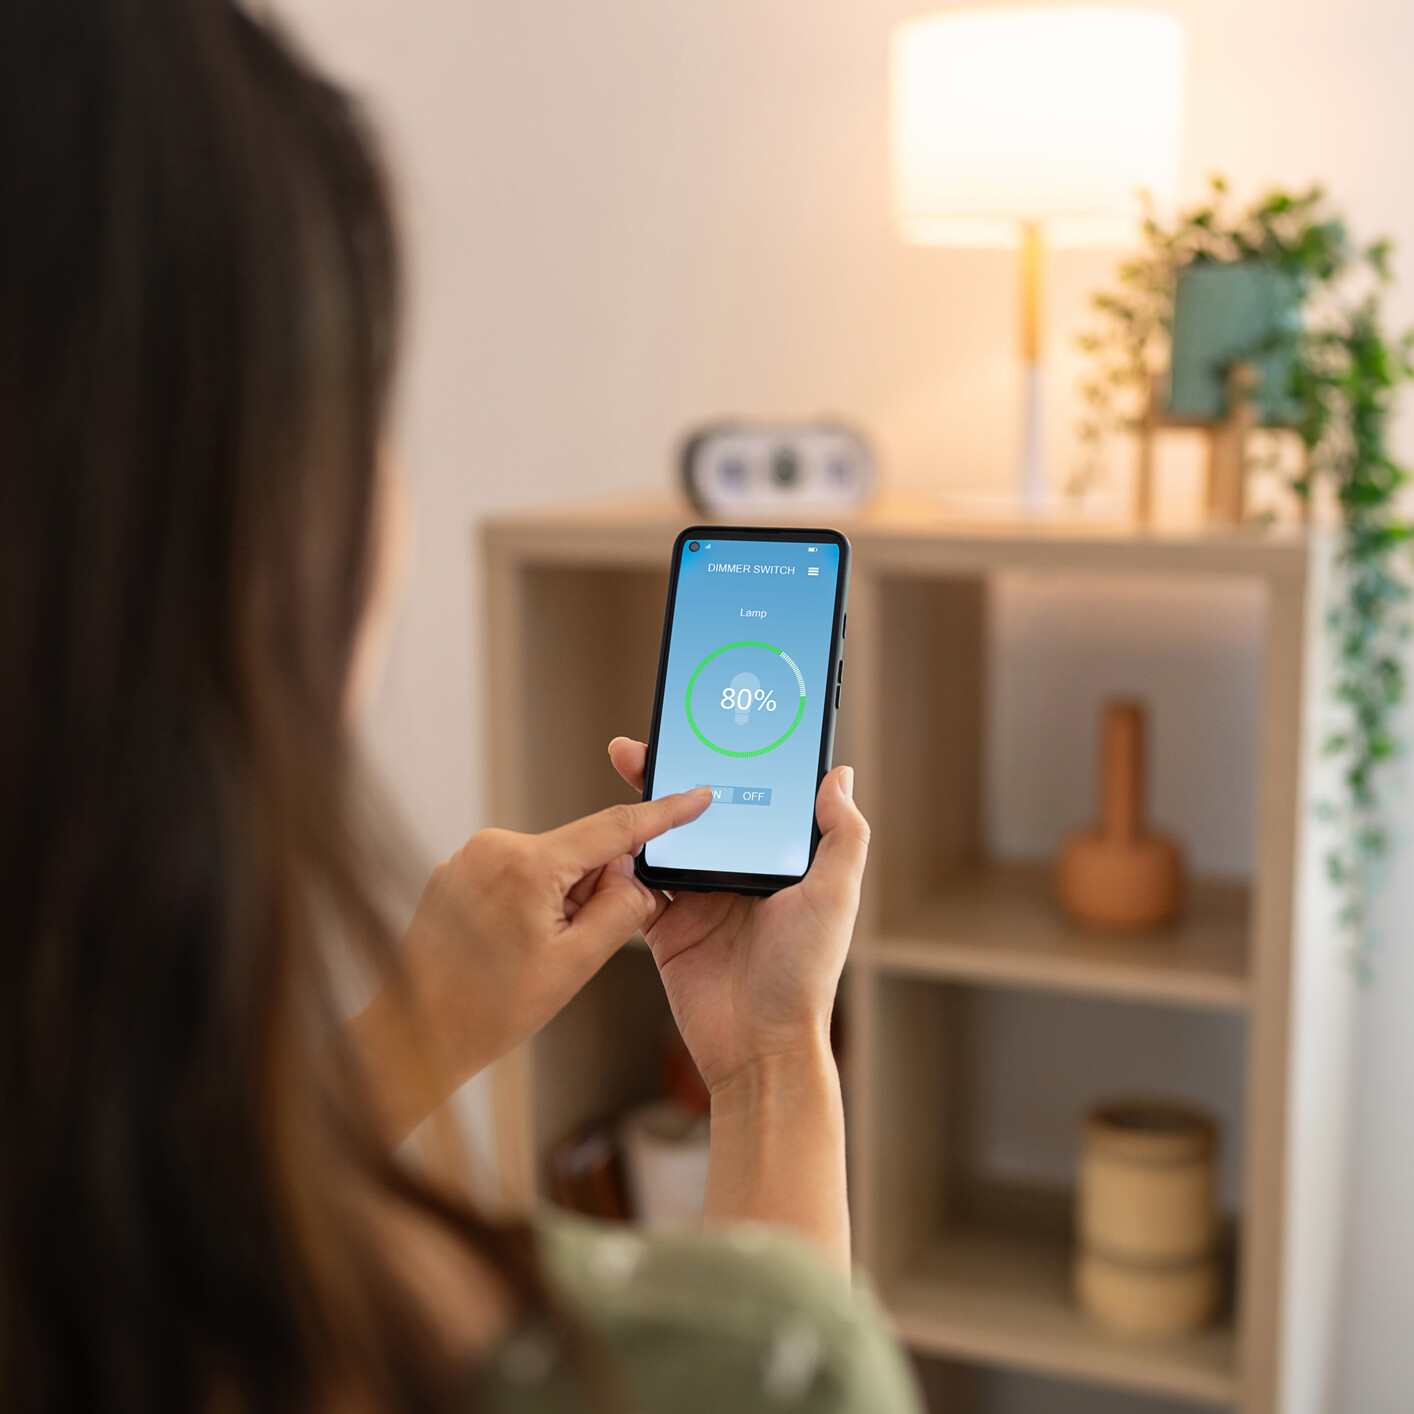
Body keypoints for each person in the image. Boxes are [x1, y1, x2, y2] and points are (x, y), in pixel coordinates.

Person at [0, 2, 921, 1411]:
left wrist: (413, 1032)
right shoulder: (701, 1362)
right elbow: (771, 1355)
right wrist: (770, 1063)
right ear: (283, 531)